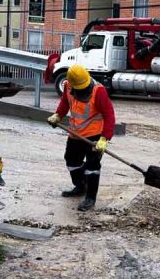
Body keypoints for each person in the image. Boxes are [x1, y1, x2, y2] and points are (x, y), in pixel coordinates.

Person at [47, 64, 115, 211]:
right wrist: (58, 115)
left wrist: (104, 138)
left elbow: (109, 115)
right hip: (75, 133)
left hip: (95, 136)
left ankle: (90, 198)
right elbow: (65, 102)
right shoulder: (68, 86)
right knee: (71, 161)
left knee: (92, 166)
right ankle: (80, 186)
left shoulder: (98, 91)